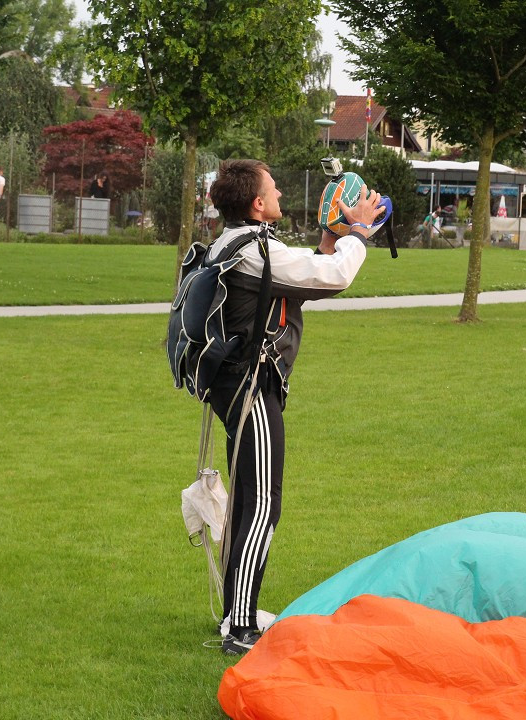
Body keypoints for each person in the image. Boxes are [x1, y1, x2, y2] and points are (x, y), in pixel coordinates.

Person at [204, 159, 379, 655]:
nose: (280, 192)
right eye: (273, 188)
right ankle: (240, 629)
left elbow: (303, 279)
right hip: (251, 387)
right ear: (257, 204)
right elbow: (336, 275)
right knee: (262, 503)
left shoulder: (238, 242)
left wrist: (330, 236)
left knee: (248, 501)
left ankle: (238, 610)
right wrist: (358, 233)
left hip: (236, 386)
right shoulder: (256, 251)